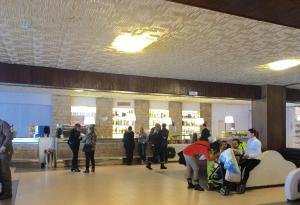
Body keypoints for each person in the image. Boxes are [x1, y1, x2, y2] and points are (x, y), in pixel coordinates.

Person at [239, 128, 262, 192]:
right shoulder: (249, 141)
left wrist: (249, 155)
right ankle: (239, 181)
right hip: (248, 158)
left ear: (253, 134)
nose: (247, 135)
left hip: (255, 159)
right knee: (240, 166)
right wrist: (244, 156)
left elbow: (257, 153)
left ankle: (243, 184)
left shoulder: (257, 142)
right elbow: (247, 150)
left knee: (247, 169)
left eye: (248, 134)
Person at [0, 119, 14, 200]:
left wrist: (4, 146)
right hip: (1, 152)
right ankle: (4, 191)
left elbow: (9, 136)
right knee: (1, 172)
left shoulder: (3, 124)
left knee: (5, 172)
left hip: (5, 151)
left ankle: (8, 193)